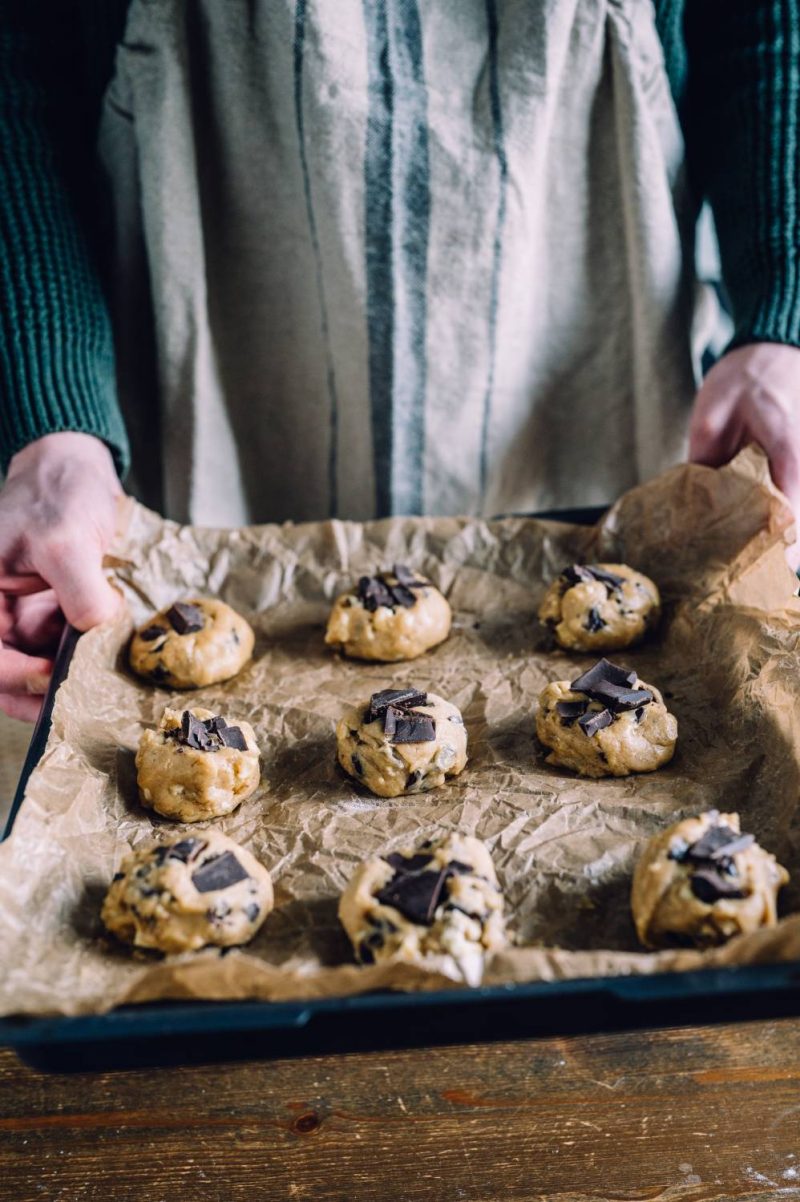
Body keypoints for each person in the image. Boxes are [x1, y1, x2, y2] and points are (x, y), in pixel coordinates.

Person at [1, 0, 799, 722]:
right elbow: (16, 56)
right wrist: (50, 419)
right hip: (207, 375)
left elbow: (768, 27)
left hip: (590, 359)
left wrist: (784, 301)